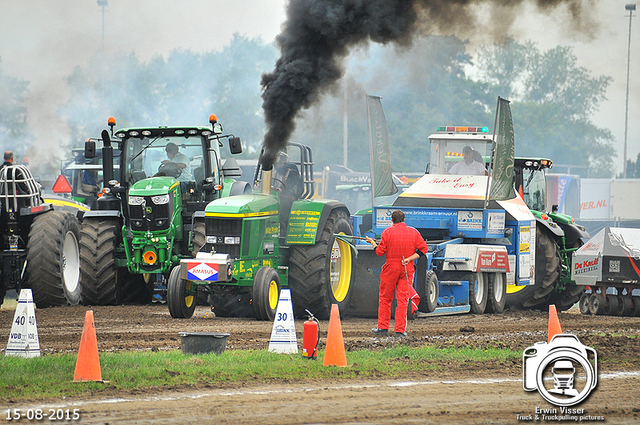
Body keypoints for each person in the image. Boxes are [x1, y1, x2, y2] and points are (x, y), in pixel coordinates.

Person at [365, 210, 428, 338]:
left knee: (385, 298)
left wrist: (372, 243)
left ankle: (383, 328)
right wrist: (410, 258)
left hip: (390, 268)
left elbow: (379, 252)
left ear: (392, 220)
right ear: (404, 219)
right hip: (406, 267)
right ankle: (400, 331)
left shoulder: (387, 232)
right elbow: (423, 249)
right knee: (402, 300)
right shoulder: (414, 232)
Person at [273, 151, 303, 235]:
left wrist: (281, 189)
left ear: (285, 163)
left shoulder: (292, 171)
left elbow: (290, 182)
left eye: (280, 164)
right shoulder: (273, 173)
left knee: (284, 205)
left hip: (290, 195)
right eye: (277, 164)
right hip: (276, 195)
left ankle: (283, 231)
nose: (278, 166)